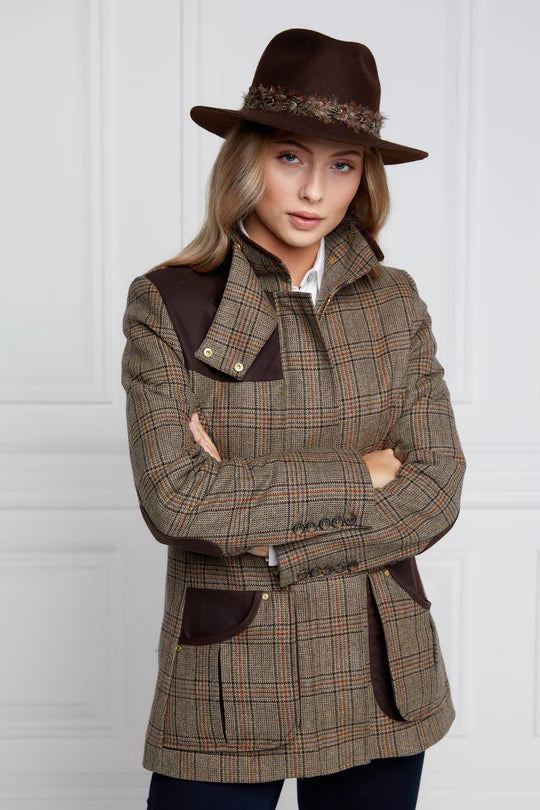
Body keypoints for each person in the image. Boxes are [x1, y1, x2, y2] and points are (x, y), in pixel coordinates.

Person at [121, 28, 466, 810]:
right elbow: (177, 500)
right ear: (247, 160)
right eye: (290, 158)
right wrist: (360, 473)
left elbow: (436, 486)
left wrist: (273, 542)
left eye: (341, 165)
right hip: (227, 680)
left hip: (380, 672)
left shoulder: (394, 301)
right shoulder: (170, 303)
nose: (314, 192)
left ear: (364, 179)